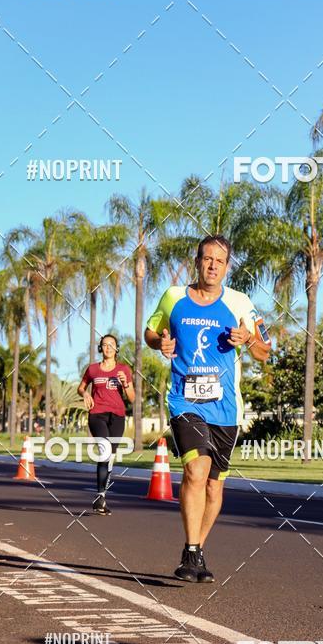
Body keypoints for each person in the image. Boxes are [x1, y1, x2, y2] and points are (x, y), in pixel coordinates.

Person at [145, 235, 271, 583]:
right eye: (207, 259)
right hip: (184, 400)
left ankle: (197, 549)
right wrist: (161, 342)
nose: (213, 265)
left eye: (220, 260)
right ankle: (190, 551)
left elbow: (265, 350)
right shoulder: (173, 297)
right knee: (195, 472)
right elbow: (150, 332)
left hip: (225, 408)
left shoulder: (240, 302)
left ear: (227, 266)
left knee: (215, 488)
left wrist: (249, 339)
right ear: (197, 262)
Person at [78, 335, 135, 514]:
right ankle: (100, 496)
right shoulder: (93, 369)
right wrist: (85, 394)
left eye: (112, 345)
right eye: (105, 345)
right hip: (97, 414)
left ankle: (101, 498)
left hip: (117, 416)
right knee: (104, 450)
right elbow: (81, 387)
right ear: (100, 348)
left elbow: (132, 398)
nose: (108, 347)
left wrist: (125, 383)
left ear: (117, 349)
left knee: (109, 456)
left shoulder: (123, 370)